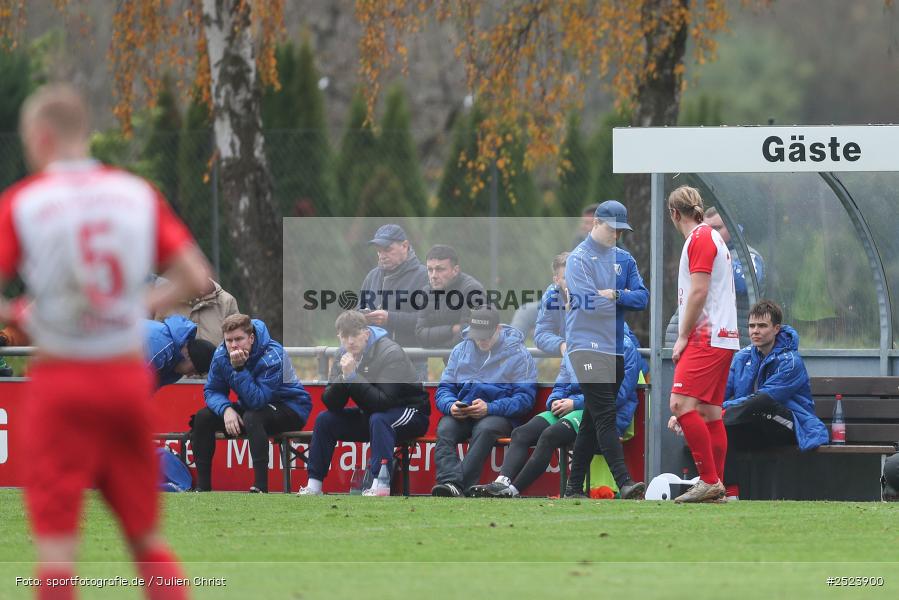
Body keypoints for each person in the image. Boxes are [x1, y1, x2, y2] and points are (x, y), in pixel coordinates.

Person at [0, 83, 211, 597]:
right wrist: (137, 307)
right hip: (123, 376)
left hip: (63, 377)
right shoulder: (134, 195)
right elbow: (196, 276)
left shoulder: (25, 202)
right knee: (146, 540)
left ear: (42, 137)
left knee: (56, 552)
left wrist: (23, 312)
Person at [470, 327, 640, 498]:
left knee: (550, 435)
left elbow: (618, 394)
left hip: (599, 411)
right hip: (569, 407)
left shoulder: (624, 347)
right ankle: (501, 483)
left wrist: (575, 403)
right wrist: (555, 401)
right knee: (521, 433)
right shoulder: (575, 344)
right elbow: (562, 382)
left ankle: (512, 491)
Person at [564, 200, 648, 500]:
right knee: (605, 414)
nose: (616, 235)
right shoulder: (578, 259)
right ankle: (624, 482)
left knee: (592, 417)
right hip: (585, 344)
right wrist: (611, 299)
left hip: (613, 347)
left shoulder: (625, 259)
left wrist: (614, 293)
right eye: (612, 229)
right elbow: (588, 303)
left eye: (620, 231)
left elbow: (642, 298)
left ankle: (573, 488)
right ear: (596, 224)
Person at [298, 311, 430, 496]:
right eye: (345, 336)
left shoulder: (390, 352)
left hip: (411, 413)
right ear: (339, 337)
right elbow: (331, 403)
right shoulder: (342, 355)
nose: (350, 341)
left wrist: (353, 377)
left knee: (379, 419)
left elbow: (385, 402)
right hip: (373, 414)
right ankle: (314, 485)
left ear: (366, 333)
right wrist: (344, 378)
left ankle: (379, 484)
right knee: (325, 420)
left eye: (354, 335)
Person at [667, 185, 740, 503]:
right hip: (722, 336)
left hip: (705, 335)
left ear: (674, 214)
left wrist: (682, 335)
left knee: (679, 404)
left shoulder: (698, 238)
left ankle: (709, 480)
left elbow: (698, 291)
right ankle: (717, 486)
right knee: (710, 413)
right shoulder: (712, 237)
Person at [191, 313, 312, 493]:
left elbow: (258, 400)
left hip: (290, 408)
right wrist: (226, 410)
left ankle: (260, 487)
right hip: (252, 406)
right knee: (203, 417)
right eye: (228, 340)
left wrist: (239, 369)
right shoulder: (221, 354)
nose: (233, 345)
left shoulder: (273, 355)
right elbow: (212, 390)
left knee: (253, 416)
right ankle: (202, 488)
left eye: (239, 339)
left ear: (251, 338)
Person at [719, 300, 828, 488]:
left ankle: (720, 418)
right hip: (754, 422)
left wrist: (719, 413)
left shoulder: (791, 362)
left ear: (776, 328)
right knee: (722, 428)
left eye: (762, 326)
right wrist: (697, 412)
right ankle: (730, 492)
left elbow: (765, 398)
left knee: (761, 404)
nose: (755, 331)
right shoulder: (741, 357)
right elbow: (719, 392)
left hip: (790, 427)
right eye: (752, 326)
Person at [431, 305, 537, 497]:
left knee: (485, 428)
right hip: (464, 411)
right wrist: (451, 405)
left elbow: (525, 399)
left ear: (498, 329)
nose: (481, 340)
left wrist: (489, 408)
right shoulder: (460, 350)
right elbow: (444, 389)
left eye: (486, 335)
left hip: (499, 415)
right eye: (477, 335)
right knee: (445, 427)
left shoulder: (519, 354)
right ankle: (449, 482)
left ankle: (456, 485)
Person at [360, 224, 429, 378]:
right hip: (375, 361)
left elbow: (427, 321)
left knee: (412, 403)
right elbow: (360, 309)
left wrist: (390, 318)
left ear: (405, 246)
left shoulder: (424, 276)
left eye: (387, 249)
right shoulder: (372, 276)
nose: (382, 255)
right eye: (379, 251)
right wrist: (362, 317)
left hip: (411, 361)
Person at [415, 244, 485, 349]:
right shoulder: (426, 292)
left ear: (455, 270)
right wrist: (452, 329)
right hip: (447, 359)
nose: (433, 275)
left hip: (474, 361)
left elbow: (467, 335)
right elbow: (420, 334)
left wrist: (437, 344)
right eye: (430, 269)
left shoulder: (472, 290)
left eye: (440, 269)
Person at [154, 277, 239, 344]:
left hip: (217, 364)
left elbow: (237, 339)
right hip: (177, 364)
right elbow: (157, 339)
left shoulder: (226, 301)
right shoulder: (167, 302)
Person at [145, 314, 216, 389]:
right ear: (189, 356)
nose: (190, 375)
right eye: (193, 371)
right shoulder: (162, 346)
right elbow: (135, 381)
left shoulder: (173, 365)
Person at [534, 252, 570, 356]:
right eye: (565, 278)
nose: (571, 280)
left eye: (574, 275)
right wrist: (561, 345)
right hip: (569, 356)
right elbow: (541, 334)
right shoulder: (551, 297)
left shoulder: (591, 293)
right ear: (556, 280)